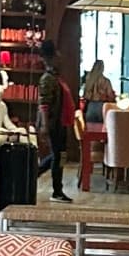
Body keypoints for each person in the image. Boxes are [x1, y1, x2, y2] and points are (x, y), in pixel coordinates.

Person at [35, 42, 75, 201]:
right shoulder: (48, 79)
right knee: (57, 156)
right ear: (52, 57)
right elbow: (44, 104)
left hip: (60, 122)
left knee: (58, 155)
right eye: (57, 54)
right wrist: (44, 125)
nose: (60, 57)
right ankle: (57, 190)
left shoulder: (55, 77)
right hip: (53, 123)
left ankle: (35, 175)